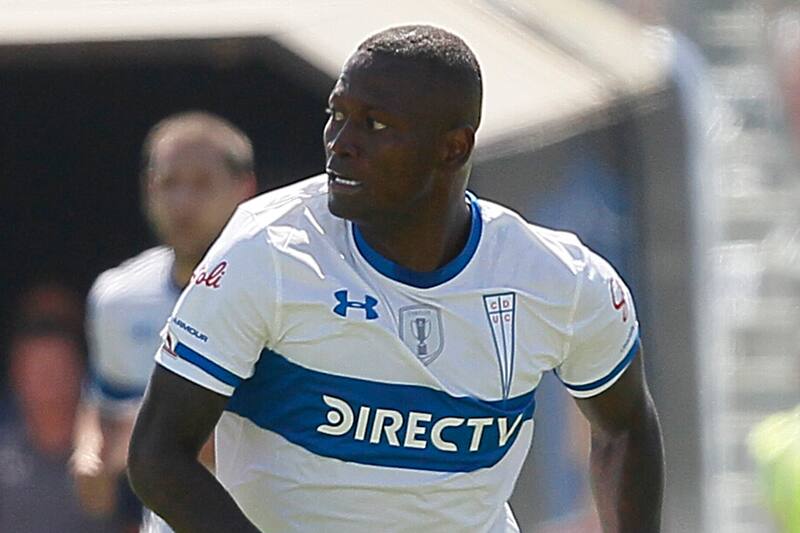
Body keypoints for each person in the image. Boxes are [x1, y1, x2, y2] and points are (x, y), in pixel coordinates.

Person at [128, 25, 664, 532]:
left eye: (374, 124)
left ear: (452, 147)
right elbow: (157, 455)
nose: (340, 141)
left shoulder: (560, 282)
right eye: (335, 114)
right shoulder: (267, 249)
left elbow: (624, 427)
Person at [70, 111, 257, 531]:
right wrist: (89, 454)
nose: (182, 202)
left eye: (202, 183)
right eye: (169, 183)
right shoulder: (117, 296)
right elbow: (107, 401)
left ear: (245, 189)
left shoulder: (286, 290)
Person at [0, 283, 112, 532]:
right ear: (16, 375)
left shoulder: (117, 447)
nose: (48, 381)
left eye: (57, 369)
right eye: (38, 370)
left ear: (81, 372)